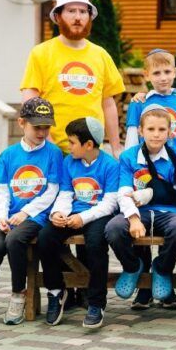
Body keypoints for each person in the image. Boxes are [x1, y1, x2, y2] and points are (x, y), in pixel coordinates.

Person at [0, 98, 63, 327]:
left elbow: (52, 191)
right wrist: (1, 216)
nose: (42, 132)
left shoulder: (54, 153)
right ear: (21, 123)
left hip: (37, 216)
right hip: (11, 216)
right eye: (36, 127)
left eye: (46, 127)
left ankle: (19, 294)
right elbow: (3, 191)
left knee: (14, 240)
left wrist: (26, 213)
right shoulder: (8, 155)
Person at [20, 0, 124, 156]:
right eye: (71, 11)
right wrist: (48, 144)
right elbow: (30, 101)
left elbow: (108, 104)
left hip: (92, 152)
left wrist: (116, 147)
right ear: (58, 16)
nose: (77, 17)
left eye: (83, 12)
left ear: (89, 17)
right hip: (51, 151)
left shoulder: (101, 55)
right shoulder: (41, 53)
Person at [105, 107, 176, 308]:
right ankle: (133, 267)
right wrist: (133, 218)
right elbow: (124, 192)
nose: (156, 134)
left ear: (170, 132)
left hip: (168, 212)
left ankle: (161, 268)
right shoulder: (129, 156)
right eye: (151, 129)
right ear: (141, 131)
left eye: (162, 129)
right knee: (114, 228)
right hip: (137, 211)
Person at [39, 117, 119, 329]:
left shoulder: (111, 165)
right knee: (45, 238)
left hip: (98, 215)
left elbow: (110, 204)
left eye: (72, 142)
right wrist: (59, 213)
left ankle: (96, 303)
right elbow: (66, 192)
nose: (68, 146)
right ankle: (56, 291)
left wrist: (83, 218)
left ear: (89, 145)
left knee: (95, 244)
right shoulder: (69, 162)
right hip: (73, 212)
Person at [125, 49, 176, 151]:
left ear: (174, 72)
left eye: (167, 72)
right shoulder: (139, 102)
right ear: (147, 75)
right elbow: (131, 139)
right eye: (156, 73)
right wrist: (130, 160)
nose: (163, 78)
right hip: (147, 159)